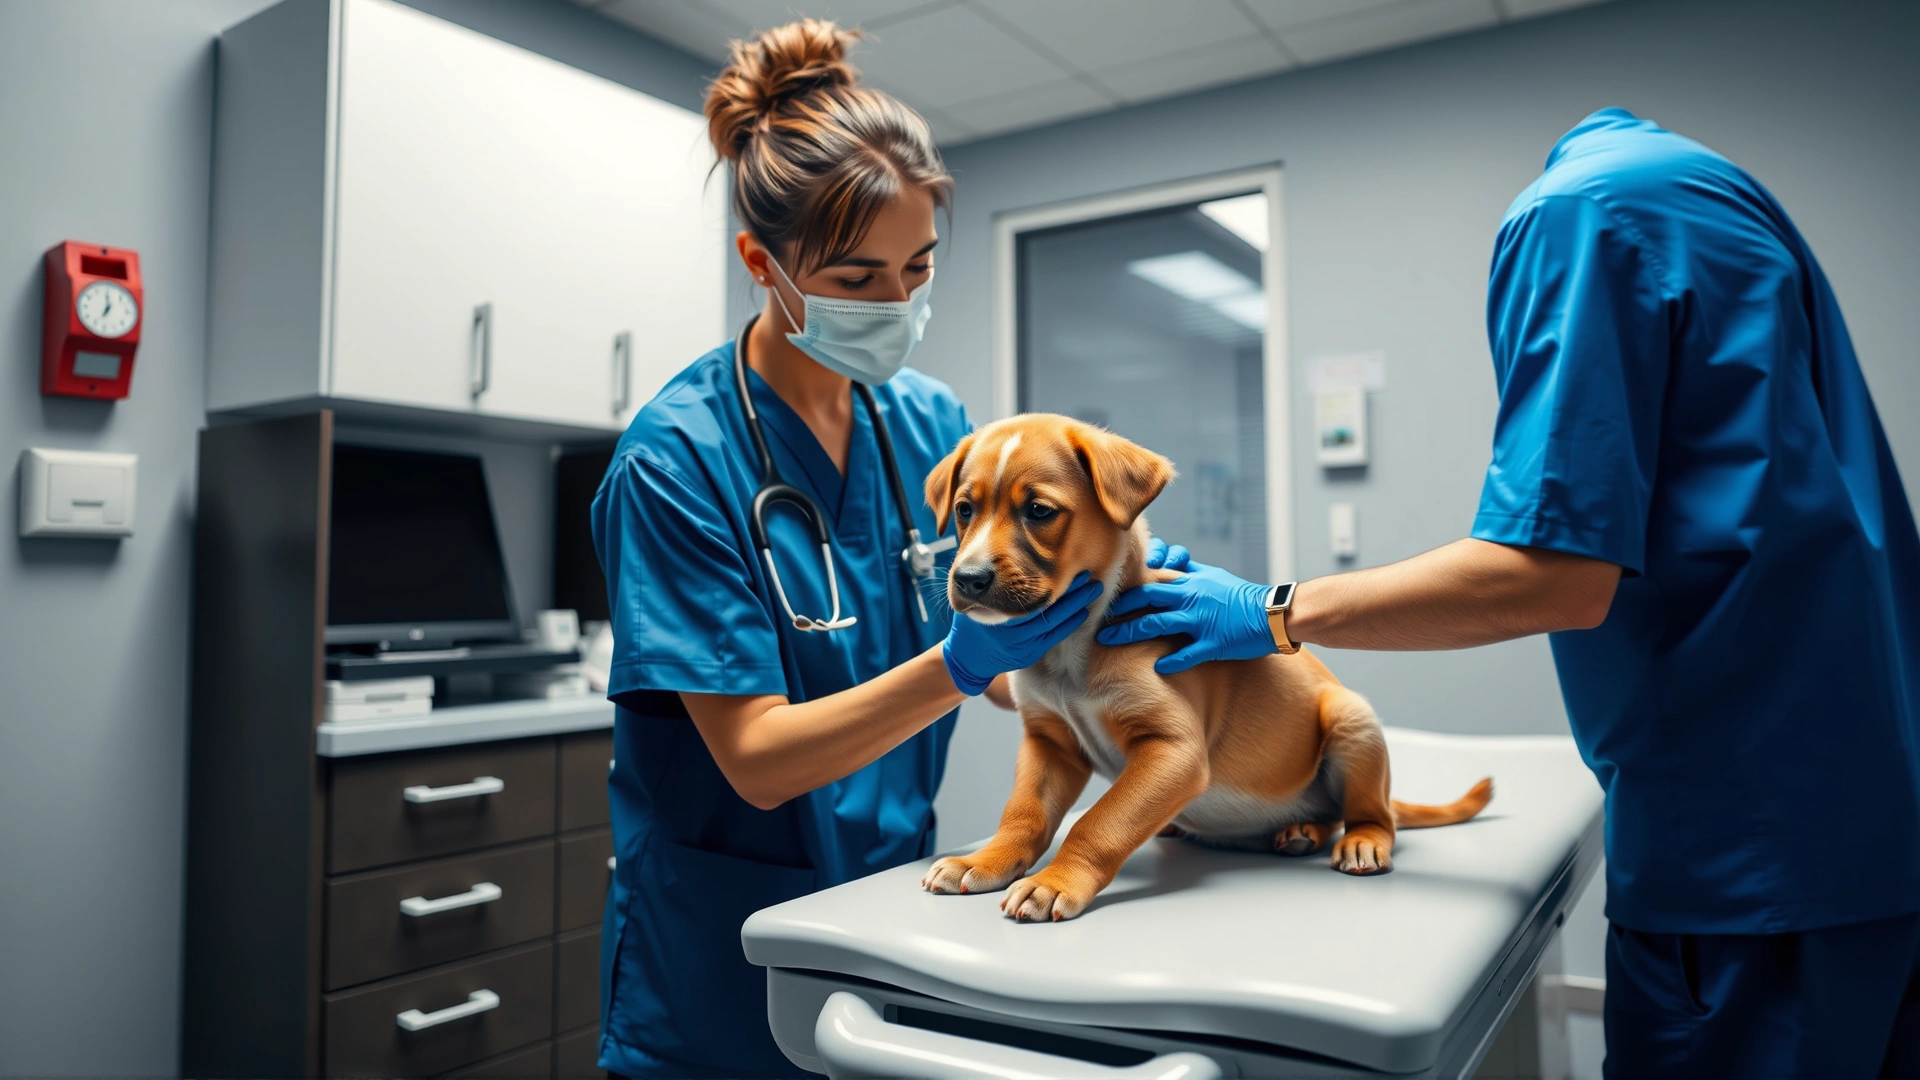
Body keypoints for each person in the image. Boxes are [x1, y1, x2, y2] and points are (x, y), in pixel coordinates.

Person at [1102, 109, 1920, 1077]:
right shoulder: (1715, 196)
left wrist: (1273, 611)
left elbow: (1556, 576)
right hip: (1868, 805)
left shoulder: (1577, 215)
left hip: (1747, 847)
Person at [587, 20, 1099, 1078]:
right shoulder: (678, 462)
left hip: (886, 910)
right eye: (859, 279)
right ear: (761, 264)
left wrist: (1100, 651)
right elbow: (760, 759)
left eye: (917, 268)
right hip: (721, 954)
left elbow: (996, 654)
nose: (899, 306)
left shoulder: (927, 421)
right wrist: (965, 663)